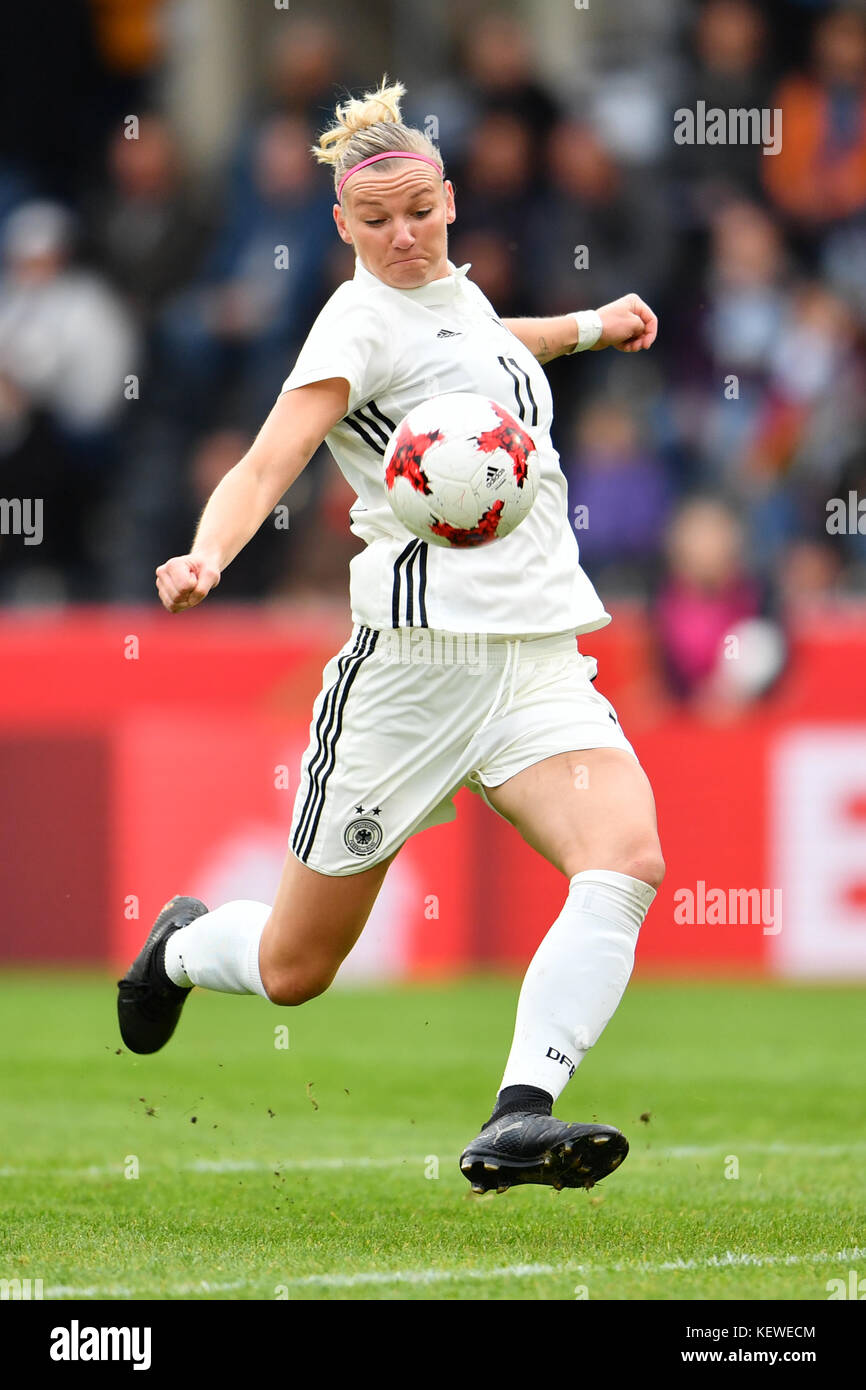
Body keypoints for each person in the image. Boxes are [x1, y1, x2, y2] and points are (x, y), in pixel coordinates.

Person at [117, 78, 664, 1197]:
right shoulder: (353, 323)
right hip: (408, 678)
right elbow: (271, 458)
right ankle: (179, 943)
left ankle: (519, 1112)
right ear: (340, 229)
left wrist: (592, 326)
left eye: (418, 211)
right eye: (376, 222)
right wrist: (209, 552)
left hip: (534, 658)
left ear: (449, 199)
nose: (402, 235)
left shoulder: (455, 297)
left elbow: (482, 349)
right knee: (294, 966)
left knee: (625, 857)